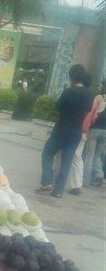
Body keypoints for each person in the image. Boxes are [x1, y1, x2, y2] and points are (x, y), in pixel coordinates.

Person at [35, 64, 95, 198]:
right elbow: (88, 110)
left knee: (47, 153)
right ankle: (58, 191)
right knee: (67, 162)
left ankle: (47, 182)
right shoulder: (89, 94)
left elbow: (58, 107)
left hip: (61, 130)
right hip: (76, 132)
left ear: (71, 76)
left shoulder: (69, 91)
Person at [65, 73, 99, 195]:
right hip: (83, 132)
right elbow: (94, 119)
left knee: (61, 154)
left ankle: (54, 179)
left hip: (72, 129)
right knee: (77, 157)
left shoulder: (75, 94)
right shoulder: (93, 99)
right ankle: (76, 185)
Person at [82, 86, 106, 188]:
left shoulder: (99, 98)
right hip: (105, 131)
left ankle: (85, 181)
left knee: (89, 155)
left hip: (94, 129)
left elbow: (91, 111)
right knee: (97, 155)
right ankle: (99, 174)